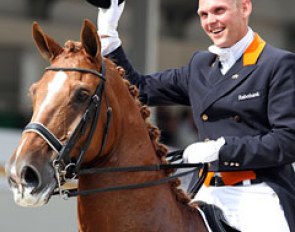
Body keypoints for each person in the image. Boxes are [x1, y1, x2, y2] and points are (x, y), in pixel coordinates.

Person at [94, 0, 295, 231]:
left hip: (256, 196)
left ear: (245, 8)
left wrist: (222, 151)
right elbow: (139, 88)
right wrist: (108, 36)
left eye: (219, 11)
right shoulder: (200, 65)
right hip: (205, 190)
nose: (211, 21)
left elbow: (288, 140)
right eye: (204, 14)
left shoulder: (278, 64)